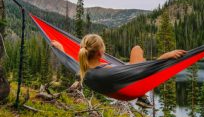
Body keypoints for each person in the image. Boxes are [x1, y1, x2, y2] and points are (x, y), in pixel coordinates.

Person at [51, 34, 186, 108]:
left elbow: (68, 61)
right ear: (100, 52)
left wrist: (60, 49)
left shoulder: (81, 69)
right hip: (128, 89)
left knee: (136, 51)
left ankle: (143, 96)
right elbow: (145, 71)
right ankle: (143, 97)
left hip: (116, 84)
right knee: (137, 49)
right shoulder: (107, 71)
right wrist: (165, 56)